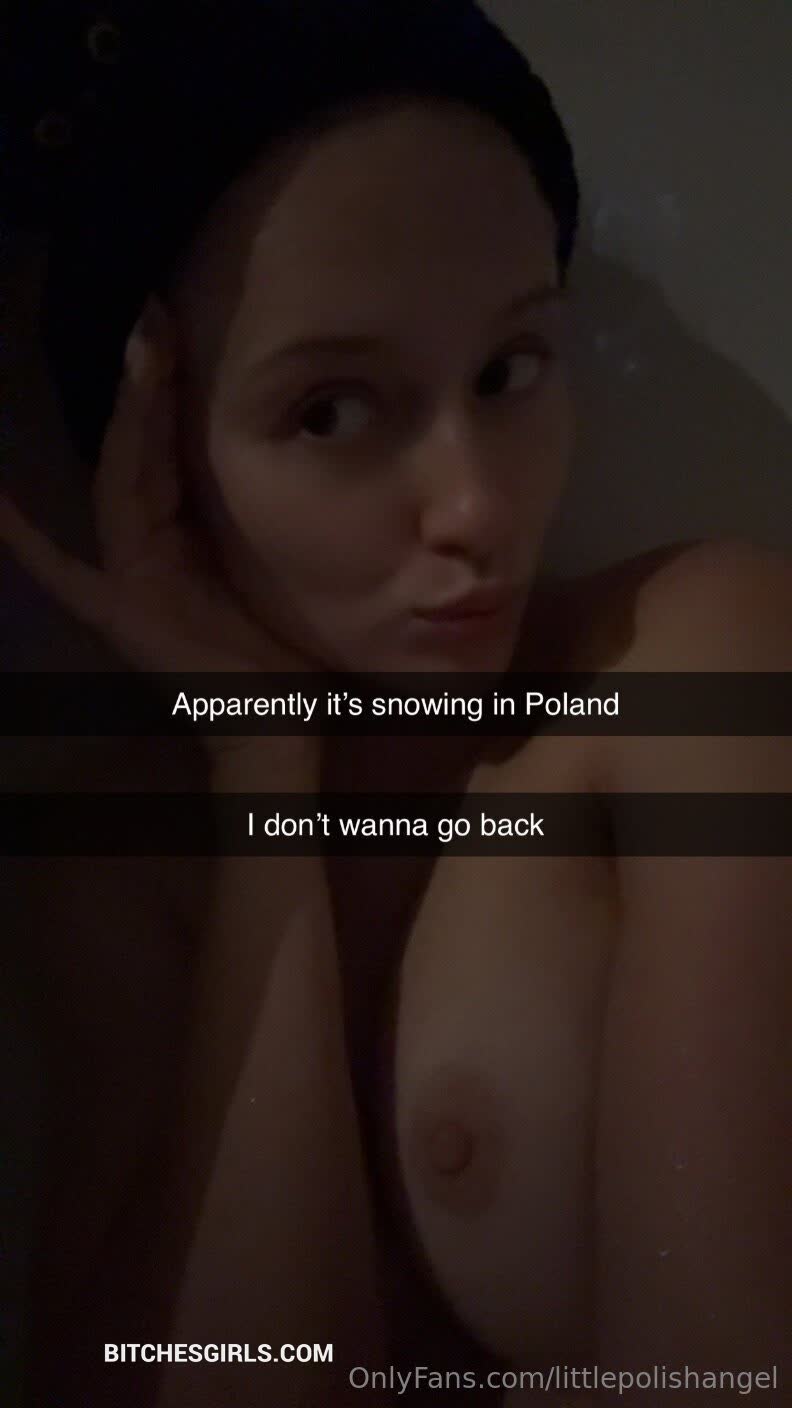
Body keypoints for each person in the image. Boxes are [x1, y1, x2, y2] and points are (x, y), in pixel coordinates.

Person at [2, 5, 790, 1406]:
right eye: (332, 411)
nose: (477, 505)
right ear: (158, 453)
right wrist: (264, 776)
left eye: (510, 371)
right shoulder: (114, 868)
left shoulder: (688, 671)